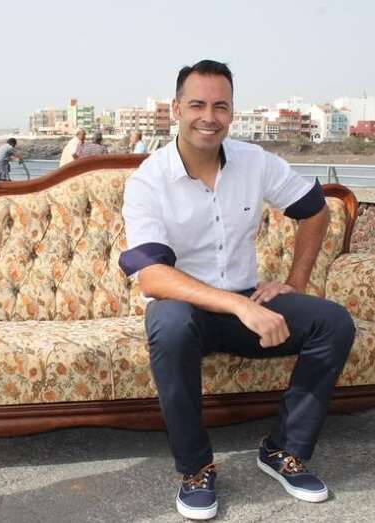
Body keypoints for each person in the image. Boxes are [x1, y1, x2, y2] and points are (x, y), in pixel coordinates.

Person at [119, 60, 355, 521]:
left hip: (249, 301)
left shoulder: (255, 162)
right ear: (176, 110)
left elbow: (315, 210)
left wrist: (294, 284)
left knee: (333, 322)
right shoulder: (148, 180)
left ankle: (284, 449)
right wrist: (238, 306)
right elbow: (152, 277)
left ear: (232, 111)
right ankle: (196, 468)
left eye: (221, 106)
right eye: (197, 105)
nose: (209, 117)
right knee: (168, 323)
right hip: (188, 311)